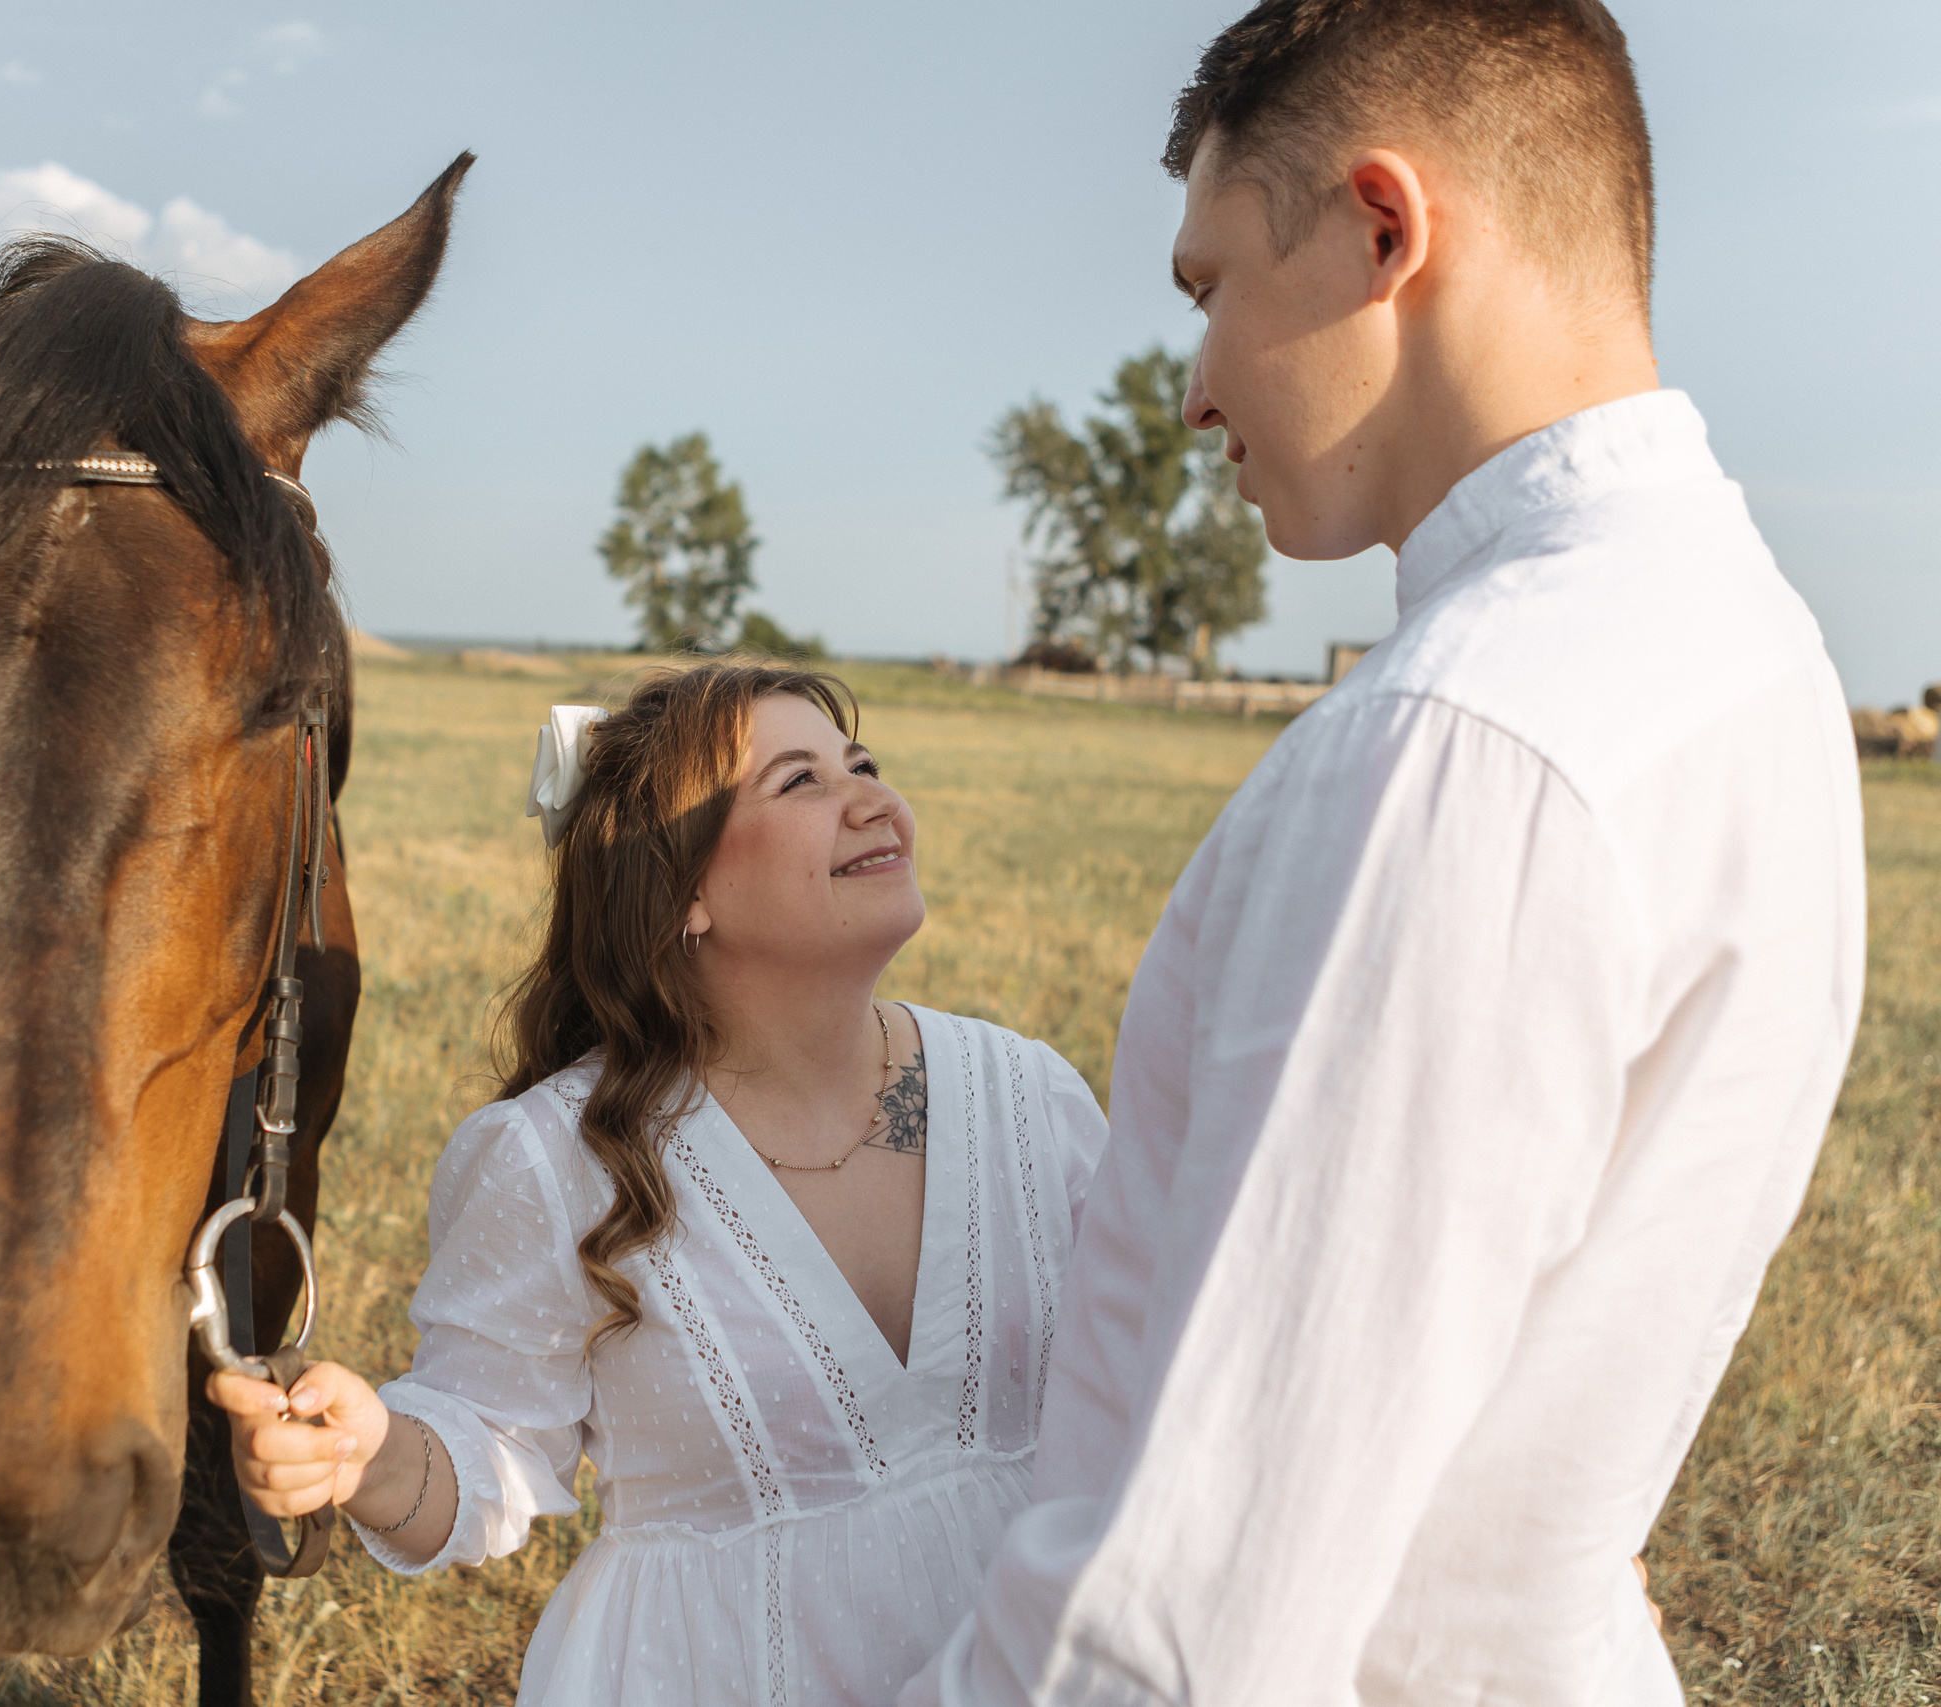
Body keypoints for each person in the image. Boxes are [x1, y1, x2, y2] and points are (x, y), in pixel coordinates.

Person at [908, 3, 1865, 1703]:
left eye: (1209, 286)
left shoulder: (1463, 737)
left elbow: (1193, 1628)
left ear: (1380, 228)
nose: (1194, 393)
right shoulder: (1750, 645)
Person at [212, 663, 1112, 1706]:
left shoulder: (1025, 1096)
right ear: (685, 891)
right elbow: (493, 1447)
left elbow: (1152, 1362)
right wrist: (366, 1460)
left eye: (863, 764)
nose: (873, 798)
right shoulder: (562, 1159)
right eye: (802, 781)